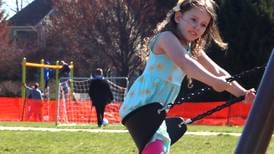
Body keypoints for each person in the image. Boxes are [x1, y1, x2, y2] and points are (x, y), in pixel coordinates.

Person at [119, 0, 256, 153]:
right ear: (178, 17)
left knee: (160, 145)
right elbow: (186, 63)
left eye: (204, 25)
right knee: (158, 144)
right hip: (141, 104)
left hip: (155, 109)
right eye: (194, 20)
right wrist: (214, 82)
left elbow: (218, 71)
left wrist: (243, 93)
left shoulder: (192, 49)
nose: (198, 27)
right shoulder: (166, 38)